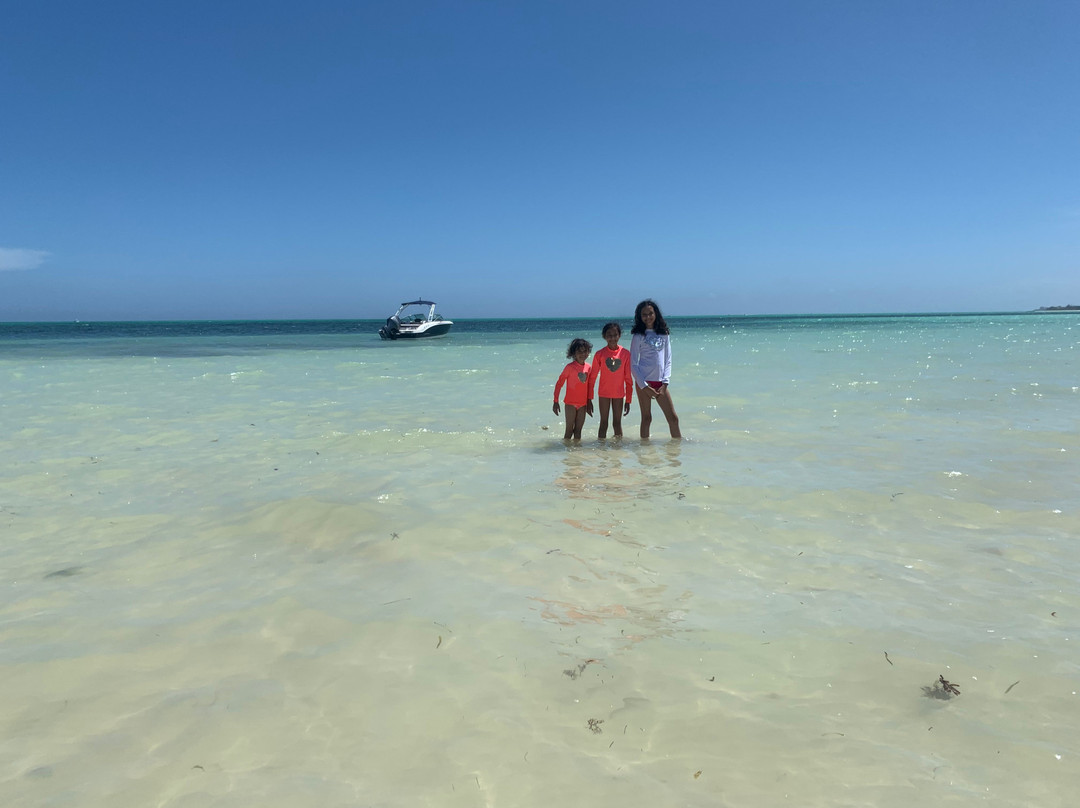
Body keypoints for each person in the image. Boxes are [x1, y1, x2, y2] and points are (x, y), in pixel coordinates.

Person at [630, 299, 681, 439]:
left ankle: (676, 453)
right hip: (644, 382)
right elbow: (633, 364)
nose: (648, 317)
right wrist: (644, 386)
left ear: (656, 314)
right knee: (647, 419)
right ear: (640, 317)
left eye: (650, 313)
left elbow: (668, 360)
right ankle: (645, 453)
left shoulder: (664, 333)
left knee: (673, 419)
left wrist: (665, 383)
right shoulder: (638, 335)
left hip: (660, 383)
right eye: (644, 314)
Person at [586, 322, 633, 439]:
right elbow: (592, 378)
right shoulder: (600, 354)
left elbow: (628, 378)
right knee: (604, 423)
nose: (612, 338)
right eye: (609, 335)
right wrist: (589, 398)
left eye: (615, 335)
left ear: (619, 335)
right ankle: (602, 451)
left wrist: (629, 399)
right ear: (604, 337)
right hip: (604, 393)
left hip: (618, 394)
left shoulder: (626, 354)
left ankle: (617, 451)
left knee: (617, 423)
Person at [553, 338, 593, 440]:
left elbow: (589, 386)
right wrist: (556, 401)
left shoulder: (589, 367)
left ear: (588, 352)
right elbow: (559, 384)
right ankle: (566, 453)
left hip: (583, 404)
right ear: (573, 353)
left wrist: (589, 401)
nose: (583, 354)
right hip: (570, 403)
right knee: (569, 430)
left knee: (578, 431)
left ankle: (576, 454)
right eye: (579, 351)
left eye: (585, 351)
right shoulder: (569, 367)